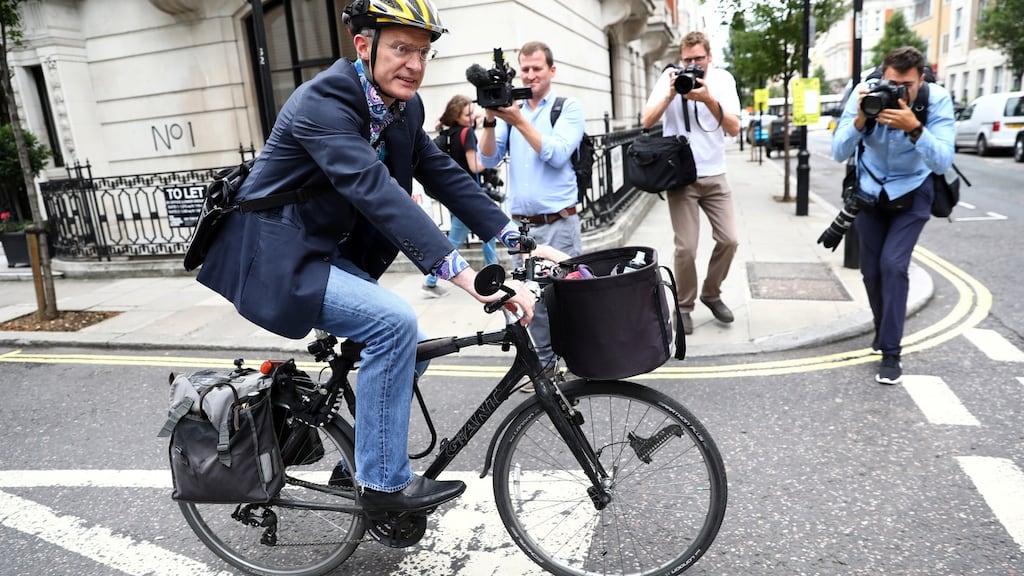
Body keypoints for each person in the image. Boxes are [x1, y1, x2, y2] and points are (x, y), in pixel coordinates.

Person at [195, 0, 565, 513]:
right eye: (400, 48)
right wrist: (469, 277)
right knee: (395, 324)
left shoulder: (402, 107)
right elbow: (374, 190)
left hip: (322, 251)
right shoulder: (321, 101)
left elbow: (445, 175)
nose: (414, 63)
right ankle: (384, 485)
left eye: (422, 52)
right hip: (276, 257)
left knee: (405, 343)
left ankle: (358, 464)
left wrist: (516, 236)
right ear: (363, 46)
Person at [830, 46, 955, 385]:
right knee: (871, 271)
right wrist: (859, 119)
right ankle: (883, 329)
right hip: (869, 192)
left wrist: (915, 128)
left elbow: (942, 161)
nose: (897, 90)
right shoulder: (864, 93)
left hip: (913, 193)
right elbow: (838, 150)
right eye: (891, 82)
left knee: (893, 265)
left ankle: (891, 352)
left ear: (921, 79)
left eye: (906, 85)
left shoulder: (936, 100)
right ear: (881, 76)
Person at [479, 41, 585, 387]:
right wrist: (493, 118)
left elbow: (555, 154)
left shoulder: (567, 108)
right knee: (529, 300)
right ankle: (543, 369)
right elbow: (489, 160)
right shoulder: (513, 111)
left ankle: (578, 360)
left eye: (537, 68)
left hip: (558, 223)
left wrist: (518, 118)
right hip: (521, 229)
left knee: (565, 299)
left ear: (551, 71)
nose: (530, 75)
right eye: (524, 69)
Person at [640, 31, 741, 335]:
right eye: (687, 60)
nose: (693, 65)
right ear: (680, 59)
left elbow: (734, 128)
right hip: (682, 177)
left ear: (709, 57)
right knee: (686, 248)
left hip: (715, 174)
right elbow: (646, 121)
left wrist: (708, 98)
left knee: (730, 240)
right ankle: (683, 307)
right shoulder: (669, 77)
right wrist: (671, 93)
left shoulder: (723, 80)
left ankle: (711, 293)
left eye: (698, 59)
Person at [422, 94, 501, 297]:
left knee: (488, 233)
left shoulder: (448, 134)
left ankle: (494, 273)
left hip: (455, 193)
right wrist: (490, 161)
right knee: (455, 241)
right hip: (469, 194)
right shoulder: (467, 133)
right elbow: (476, 165)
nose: (473, 114)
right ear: (459, 114)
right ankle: (430, 280)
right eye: (469, 111)